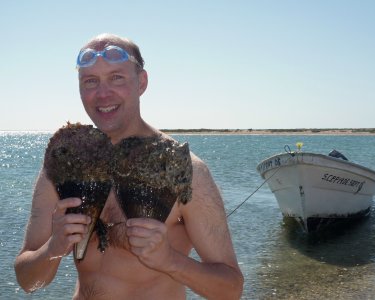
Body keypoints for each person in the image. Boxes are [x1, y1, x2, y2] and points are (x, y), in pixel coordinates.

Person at [14, 33, 244, 299]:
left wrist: (170, 260)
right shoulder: (63, 166)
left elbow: (231, 290)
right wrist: (52, 248)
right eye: (90, 81)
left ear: (141, 82)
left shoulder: (184, 170)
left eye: (116, 77)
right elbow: (27, 280)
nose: (102, 93)